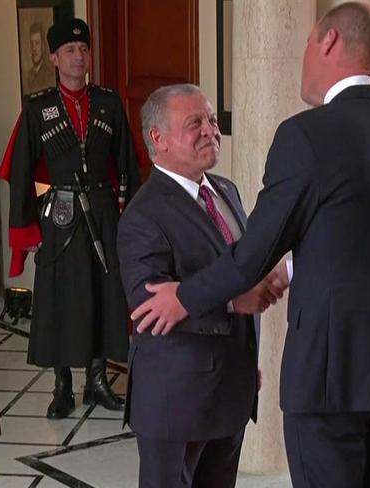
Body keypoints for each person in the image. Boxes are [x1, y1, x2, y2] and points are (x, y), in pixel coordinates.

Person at [130, 3, 370, 487]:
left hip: (329, 375)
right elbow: (356, 238)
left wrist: (184, 296)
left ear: (329, 42)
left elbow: (254, 252)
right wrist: (293, 270)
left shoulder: (306, 136)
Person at [118, 84, 282, 488]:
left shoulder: (226, 190)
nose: (210, 130)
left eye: (211, 120)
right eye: (195, 123)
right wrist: (231, 303)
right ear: (158, 138)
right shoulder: (144, 214)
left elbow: (238, 269)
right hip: (177, 401)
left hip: (230, 389)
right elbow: (150, 306)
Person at [0, 17, 140, 419]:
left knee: (103, 292)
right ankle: (62, 385)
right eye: (70, 51)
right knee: (60, 298)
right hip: (58, 217)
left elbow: (128, 165)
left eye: (84, 49)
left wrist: (129, 218)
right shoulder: (38, 108)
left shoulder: (110, 104)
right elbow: (21, 173)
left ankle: (97, 382)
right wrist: (27, 231)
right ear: (54, 57)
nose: (79, 57)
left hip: (103, 211)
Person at [23, 21, 55, 95]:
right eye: (32, 43)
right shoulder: (28, 75)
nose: (34, 48)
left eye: (37, 43)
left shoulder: (49, 75)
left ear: (43, 46)